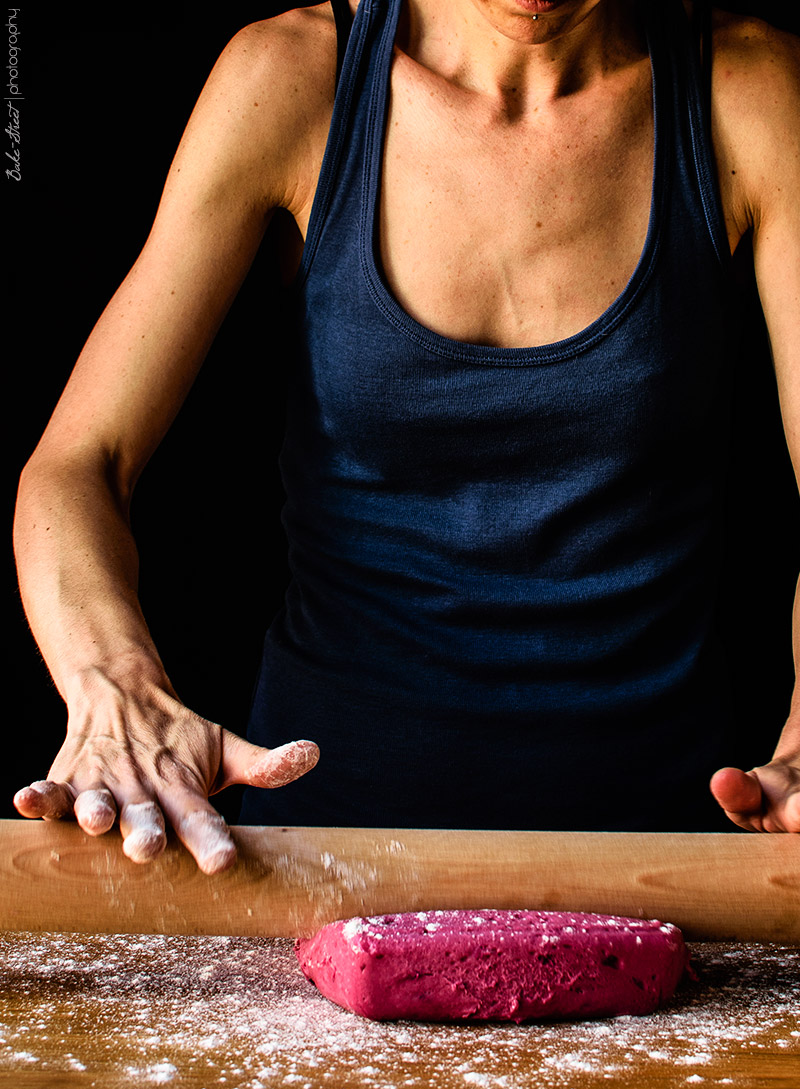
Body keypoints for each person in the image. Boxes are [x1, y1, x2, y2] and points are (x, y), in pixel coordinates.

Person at [12, 0, 800, 872]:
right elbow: (81, 463)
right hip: (321, 858)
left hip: (661, 859)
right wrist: (112, 681)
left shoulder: (750, 93)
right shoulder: (296, 78)